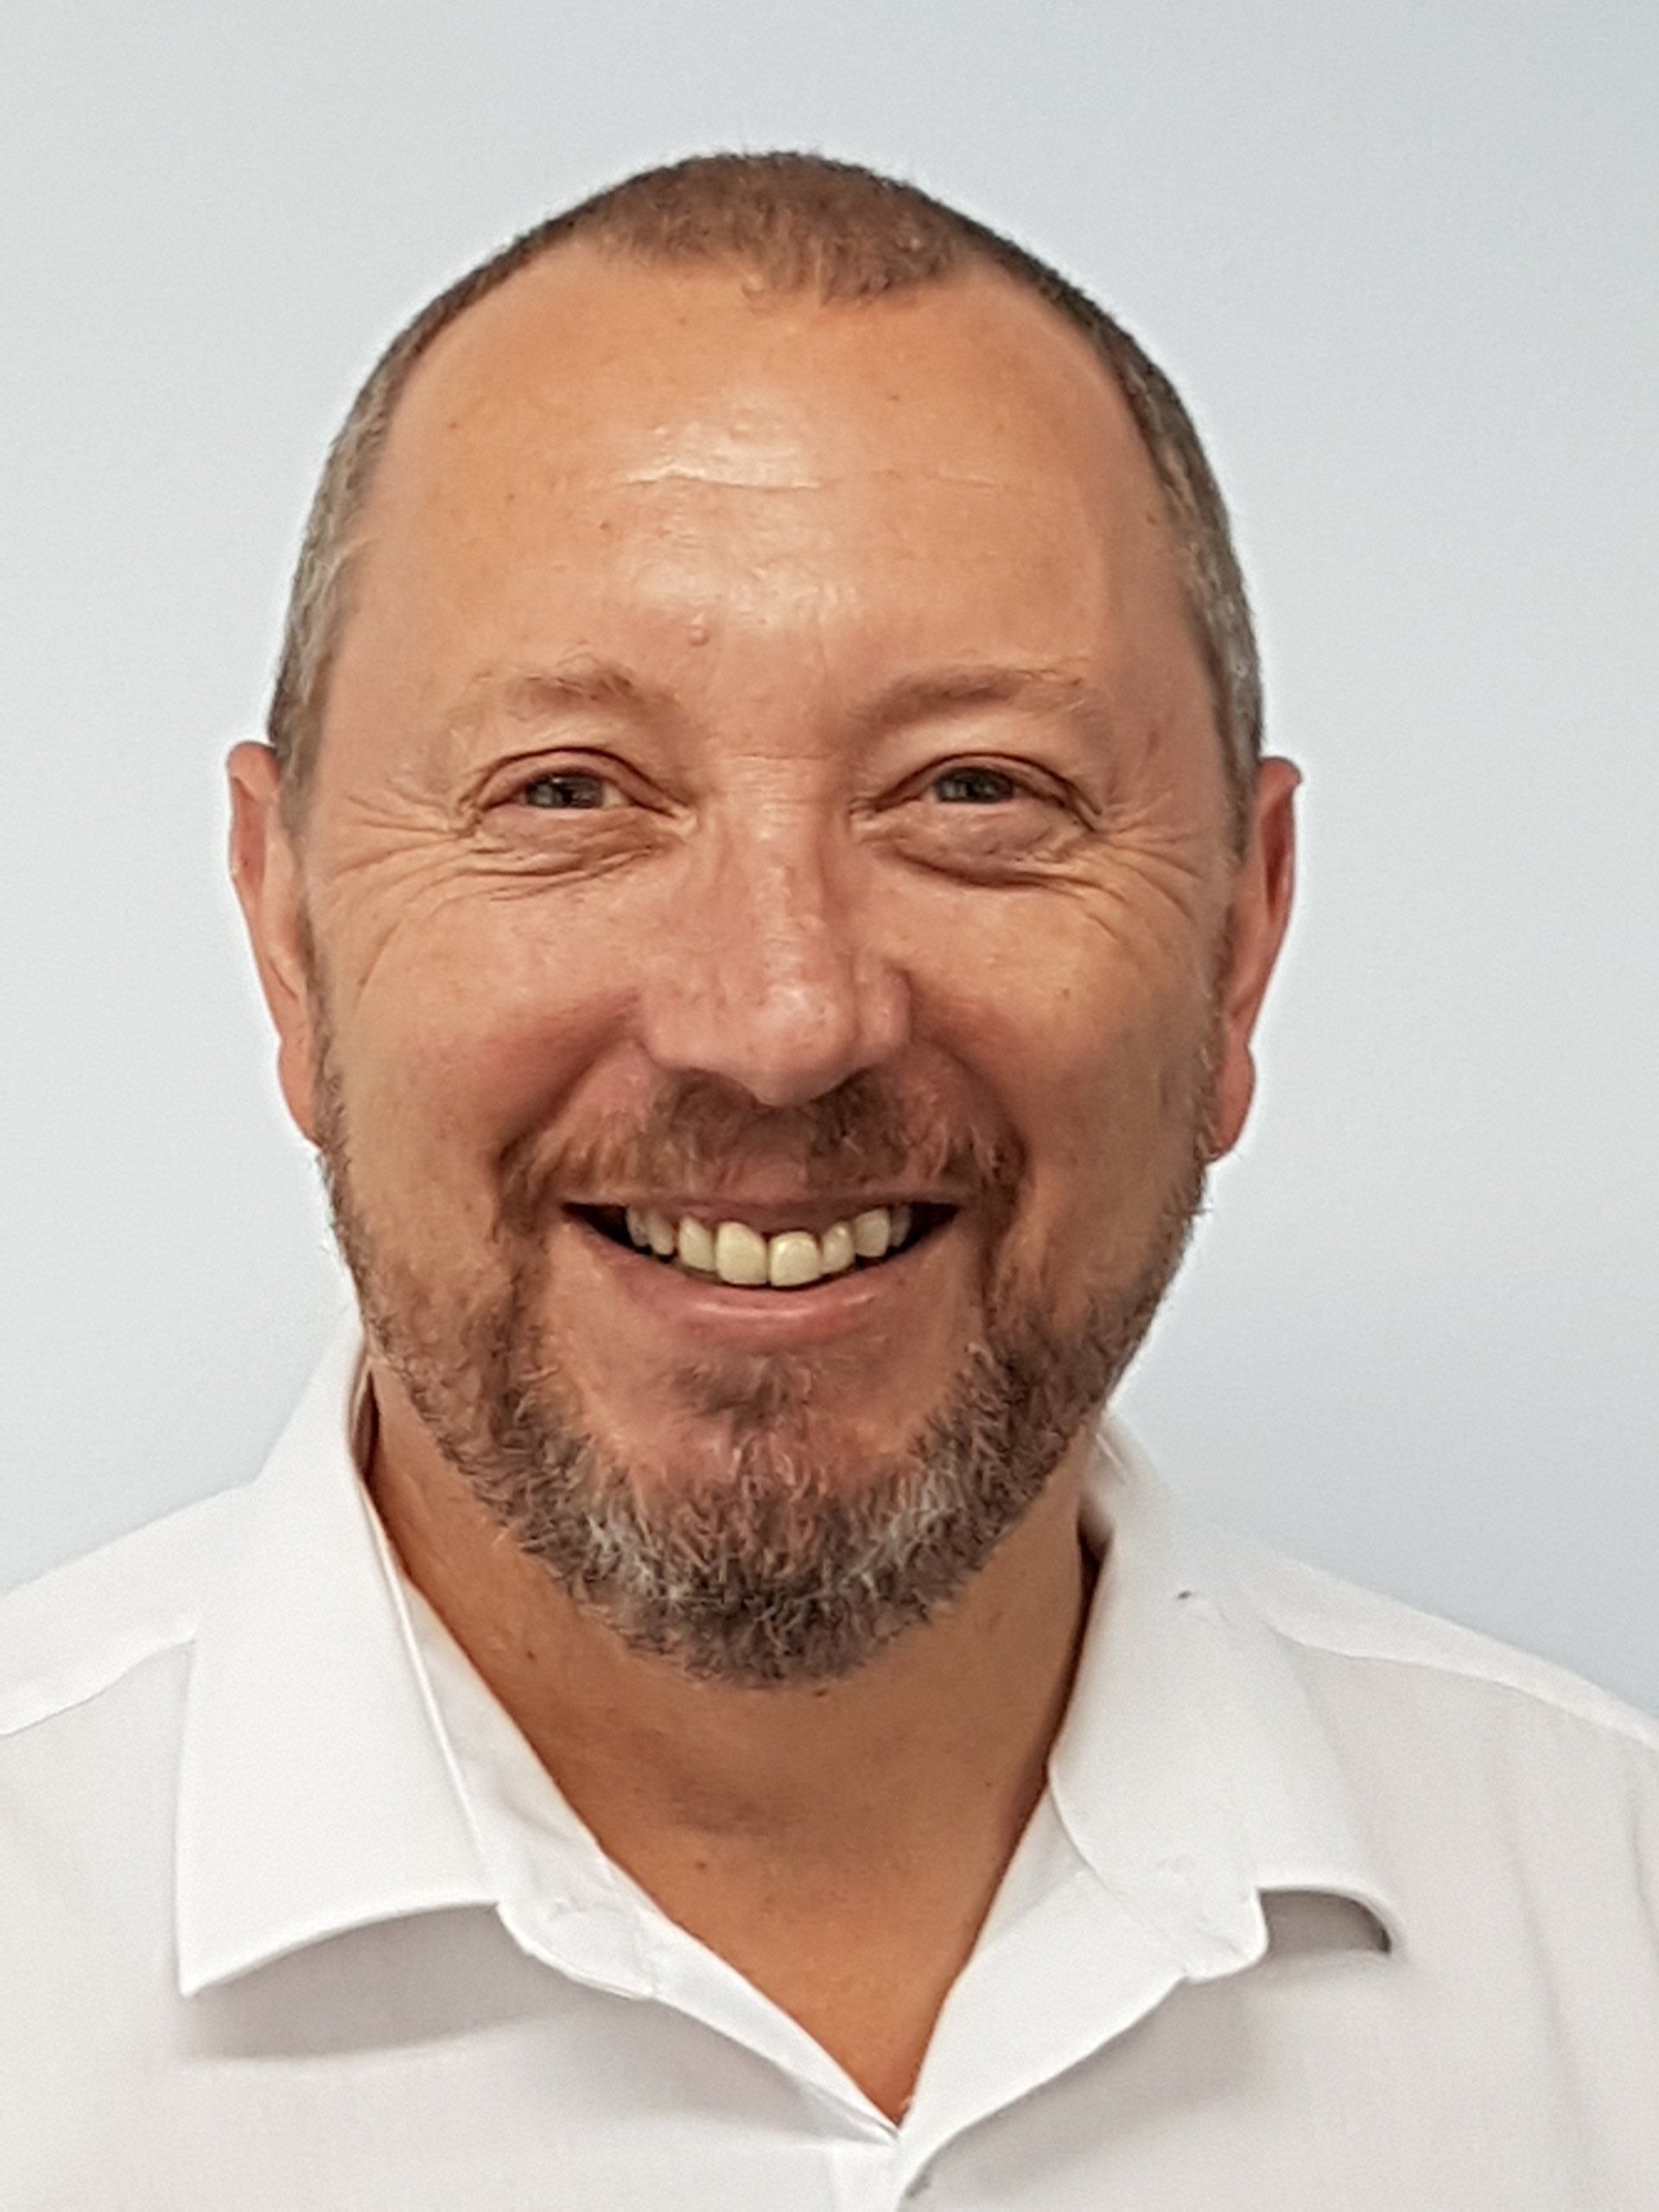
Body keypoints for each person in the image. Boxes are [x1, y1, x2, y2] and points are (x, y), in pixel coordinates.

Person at [2, 150, 1655, 2209]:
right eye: (571, 792)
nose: (778, 1013)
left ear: (1243, 943)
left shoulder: (1615, 1937)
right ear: (287, 937)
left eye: (976, 791)